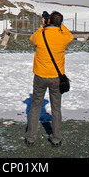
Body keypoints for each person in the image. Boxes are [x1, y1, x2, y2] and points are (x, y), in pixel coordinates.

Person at [25, 10, 74, 147]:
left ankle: (30, 137)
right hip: (56, 78)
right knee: (56, 108)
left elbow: (32, 39)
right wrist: (58, 24)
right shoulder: (63, 37)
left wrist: (44, 25)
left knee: (35, 107)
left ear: (48, 21)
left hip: (40, 75)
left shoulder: (41, 34)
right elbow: (70, 36)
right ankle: (56, 138)